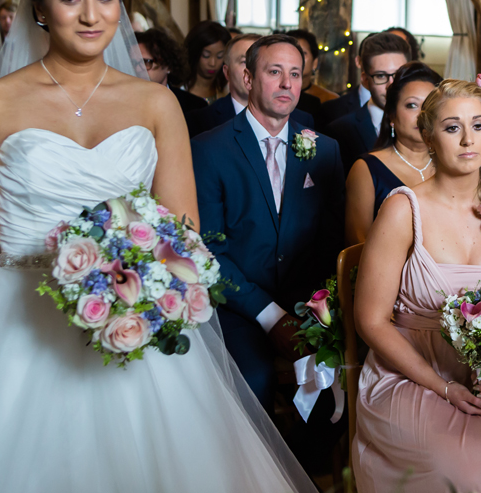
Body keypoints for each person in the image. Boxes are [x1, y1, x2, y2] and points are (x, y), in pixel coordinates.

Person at [0, 0, 317, 491]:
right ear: (39, 8)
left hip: (133, 317)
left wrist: (156, 291)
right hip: (14, 323)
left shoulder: (155, 104)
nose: (92, 14)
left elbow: (183, 235)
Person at [352, 79, 481, 493]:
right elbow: (370, 320)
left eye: (477, 126)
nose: (467, 140)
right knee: (463, 469)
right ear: (428, 136)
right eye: (451, 127)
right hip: (411, 373)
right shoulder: (403, 209)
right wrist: (444, 386)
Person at [191, 33, 345, 412]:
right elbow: (208, 250)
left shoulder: (324, 149)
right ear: (247, 79)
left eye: (295, 73)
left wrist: (314, 308)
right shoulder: (208, 149)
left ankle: (315, 470)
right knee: (253, 379)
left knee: (337, 378)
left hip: (308, 303)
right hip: (238, 305)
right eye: (274, 72)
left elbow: (331, 240)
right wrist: (270, 315)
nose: (287, 84)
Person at [345, 62, 441, 244]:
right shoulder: (366, 169)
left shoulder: (450, 165)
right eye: (412, 105)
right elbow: (357, 246)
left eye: (430, 105)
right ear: (391, 115)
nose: (422, 115)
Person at [187, 34, 313, 138]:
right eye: (245, 62)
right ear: (227, 72)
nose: (253, 70)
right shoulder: (201, 120)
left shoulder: (302, 119)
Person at [326, 32, 411, 173]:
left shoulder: (425, 125)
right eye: (381, 76)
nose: (391, 85)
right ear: (365, 79)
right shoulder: (339, 131)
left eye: (398, 75)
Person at [134, 28, 208, 117]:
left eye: (146, 62)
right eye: (134, 63)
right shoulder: (123, 102)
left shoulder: (195, 106)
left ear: (168, 65)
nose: (137, 68)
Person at [183, 21, 231, 103]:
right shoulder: (179, 89)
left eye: (219, 56)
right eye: (206, 55)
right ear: (194, 53)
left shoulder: (228, 90)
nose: (212, 63)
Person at [287, 28, 338, 105]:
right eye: (291, 52)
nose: (297, 57)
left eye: (303, 53)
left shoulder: (329, 100)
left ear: (315, 62)